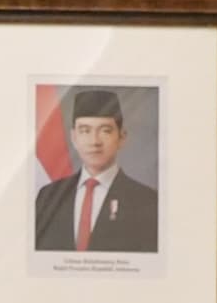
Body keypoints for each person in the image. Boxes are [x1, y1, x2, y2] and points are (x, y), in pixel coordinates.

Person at [31, 87, 158, 254]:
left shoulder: (147, 201)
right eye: (85, 130)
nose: (94, 141)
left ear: (121, 137)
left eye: (105, 131)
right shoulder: (48, 196)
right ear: (74, 137)